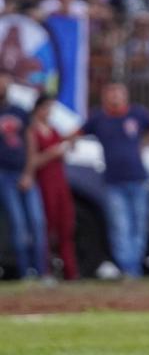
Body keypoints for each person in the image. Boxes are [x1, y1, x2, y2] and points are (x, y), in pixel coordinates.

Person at [80, 83, 149, 278]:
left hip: (137, 179)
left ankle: (134, 267)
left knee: (138, 225)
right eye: (111, 94)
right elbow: (76, 133)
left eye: (118, 94)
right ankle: (127, 267)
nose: (115, 98)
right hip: (113, 182)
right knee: (120, 226)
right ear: (104, 98)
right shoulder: (98, 118)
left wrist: (144, 143)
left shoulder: (137, 114)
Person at [0, 72, 49, 279]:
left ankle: (42, 272)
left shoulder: (19, 112)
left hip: (24, 172)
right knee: (18, 224)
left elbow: (31, 143)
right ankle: (25, 273)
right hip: (3, 175)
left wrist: (29, 172)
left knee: (37, 222)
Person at [28, 94, 77, 280]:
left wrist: (69, 145)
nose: (49, 112)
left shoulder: (55, 129)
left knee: (66, 225)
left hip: (59, 182)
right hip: (44, 183)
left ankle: (70, 271)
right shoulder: (32, 131)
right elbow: (33, 161)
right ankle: (45, 270)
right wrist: (52, 153)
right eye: (46, 108)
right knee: (47, 227)